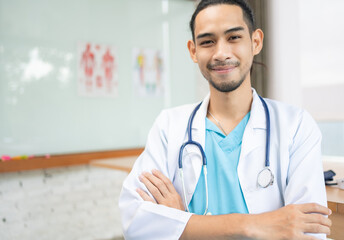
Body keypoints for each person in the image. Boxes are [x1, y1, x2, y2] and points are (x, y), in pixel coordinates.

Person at [119, 0, 332, 239]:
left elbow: (308, 232)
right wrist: (254, 225)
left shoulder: (296, 125)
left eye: (233, 38)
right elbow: (135, 221)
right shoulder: (169, 126)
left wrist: (183, 225)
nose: (221, 53)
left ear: (256, 42)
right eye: (207, 41)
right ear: (193, 51)